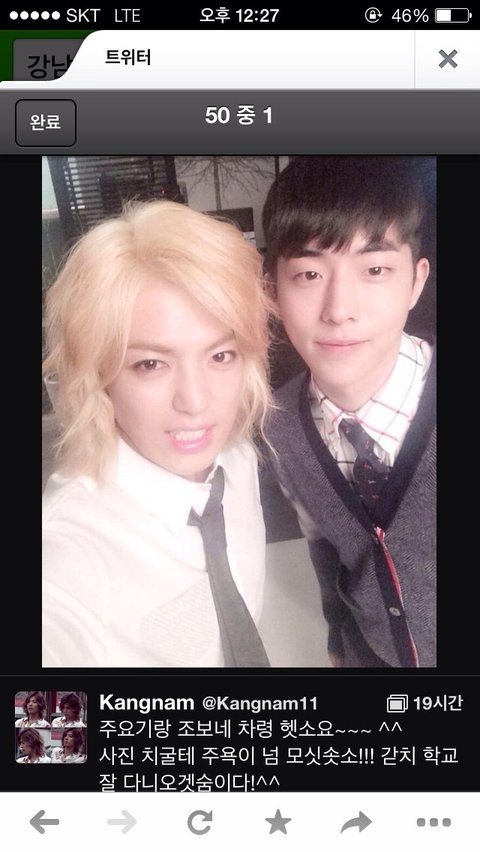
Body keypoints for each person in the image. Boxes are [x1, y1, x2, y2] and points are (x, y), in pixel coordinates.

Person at [43, 199, 273, 668]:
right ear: (99, 375)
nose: (195, 401)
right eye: (151, 364)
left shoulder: (237, 460)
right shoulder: (69, 555)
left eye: (220, 356)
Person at [262, 155, 436, 668]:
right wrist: (338, 640)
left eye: (375, 269)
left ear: (416, 282)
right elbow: (324, 545)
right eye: (309, 273)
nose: (339, 309)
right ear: (273, 291)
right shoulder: (279, 427)